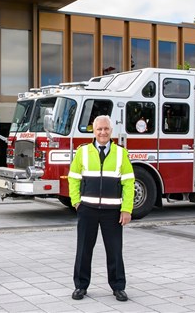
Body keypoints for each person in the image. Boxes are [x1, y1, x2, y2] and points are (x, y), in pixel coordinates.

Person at [68, 115, 135, 302]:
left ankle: (118, 287)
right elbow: (73, 177)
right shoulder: (83, 152)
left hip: (112, 211)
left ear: (111, 131)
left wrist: (127, 209)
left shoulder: (121, 153)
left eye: (106, 129)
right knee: (83, 249)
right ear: (94, 131)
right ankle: (80, 286)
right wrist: (76, 202)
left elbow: (129, 183)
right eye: (99, 129)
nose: (103, 132)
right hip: (87, 209)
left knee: (114, 250)